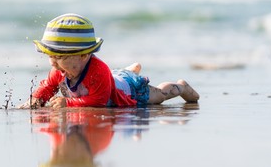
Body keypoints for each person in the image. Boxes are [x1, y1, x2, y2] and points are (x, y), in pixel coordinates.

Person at [18, 13, 199, 109]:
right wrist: (35, 100)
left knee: (158, 96)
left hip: (130, 91)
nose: (53, 63)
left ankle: (181, 86)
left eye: (60, 57)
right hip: (111, 79)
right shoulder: (59, 70)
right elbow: (48, 87)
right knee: (115, 76)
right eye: (50, 56)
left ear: (84, 55)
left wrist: (68, 103)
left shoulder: (98, 70)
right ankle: (130, 70)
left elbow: (99, 100)